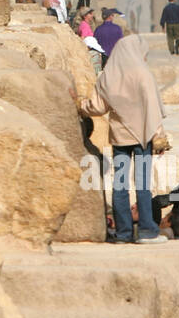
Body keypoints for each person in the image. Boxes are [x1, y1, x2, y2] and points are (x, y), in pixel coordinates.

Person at [72, 35, 169, 244]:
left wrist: (79, 105)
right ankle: (146, 231)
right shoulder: (143, 74)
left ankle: (124, 233)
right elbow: (153, 108)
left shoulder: (109, 75)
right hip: (143, 137)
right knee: (143, 184)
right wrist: (159, 136)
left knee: (120, 184)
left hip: (120, 138)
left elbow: (97, 107)